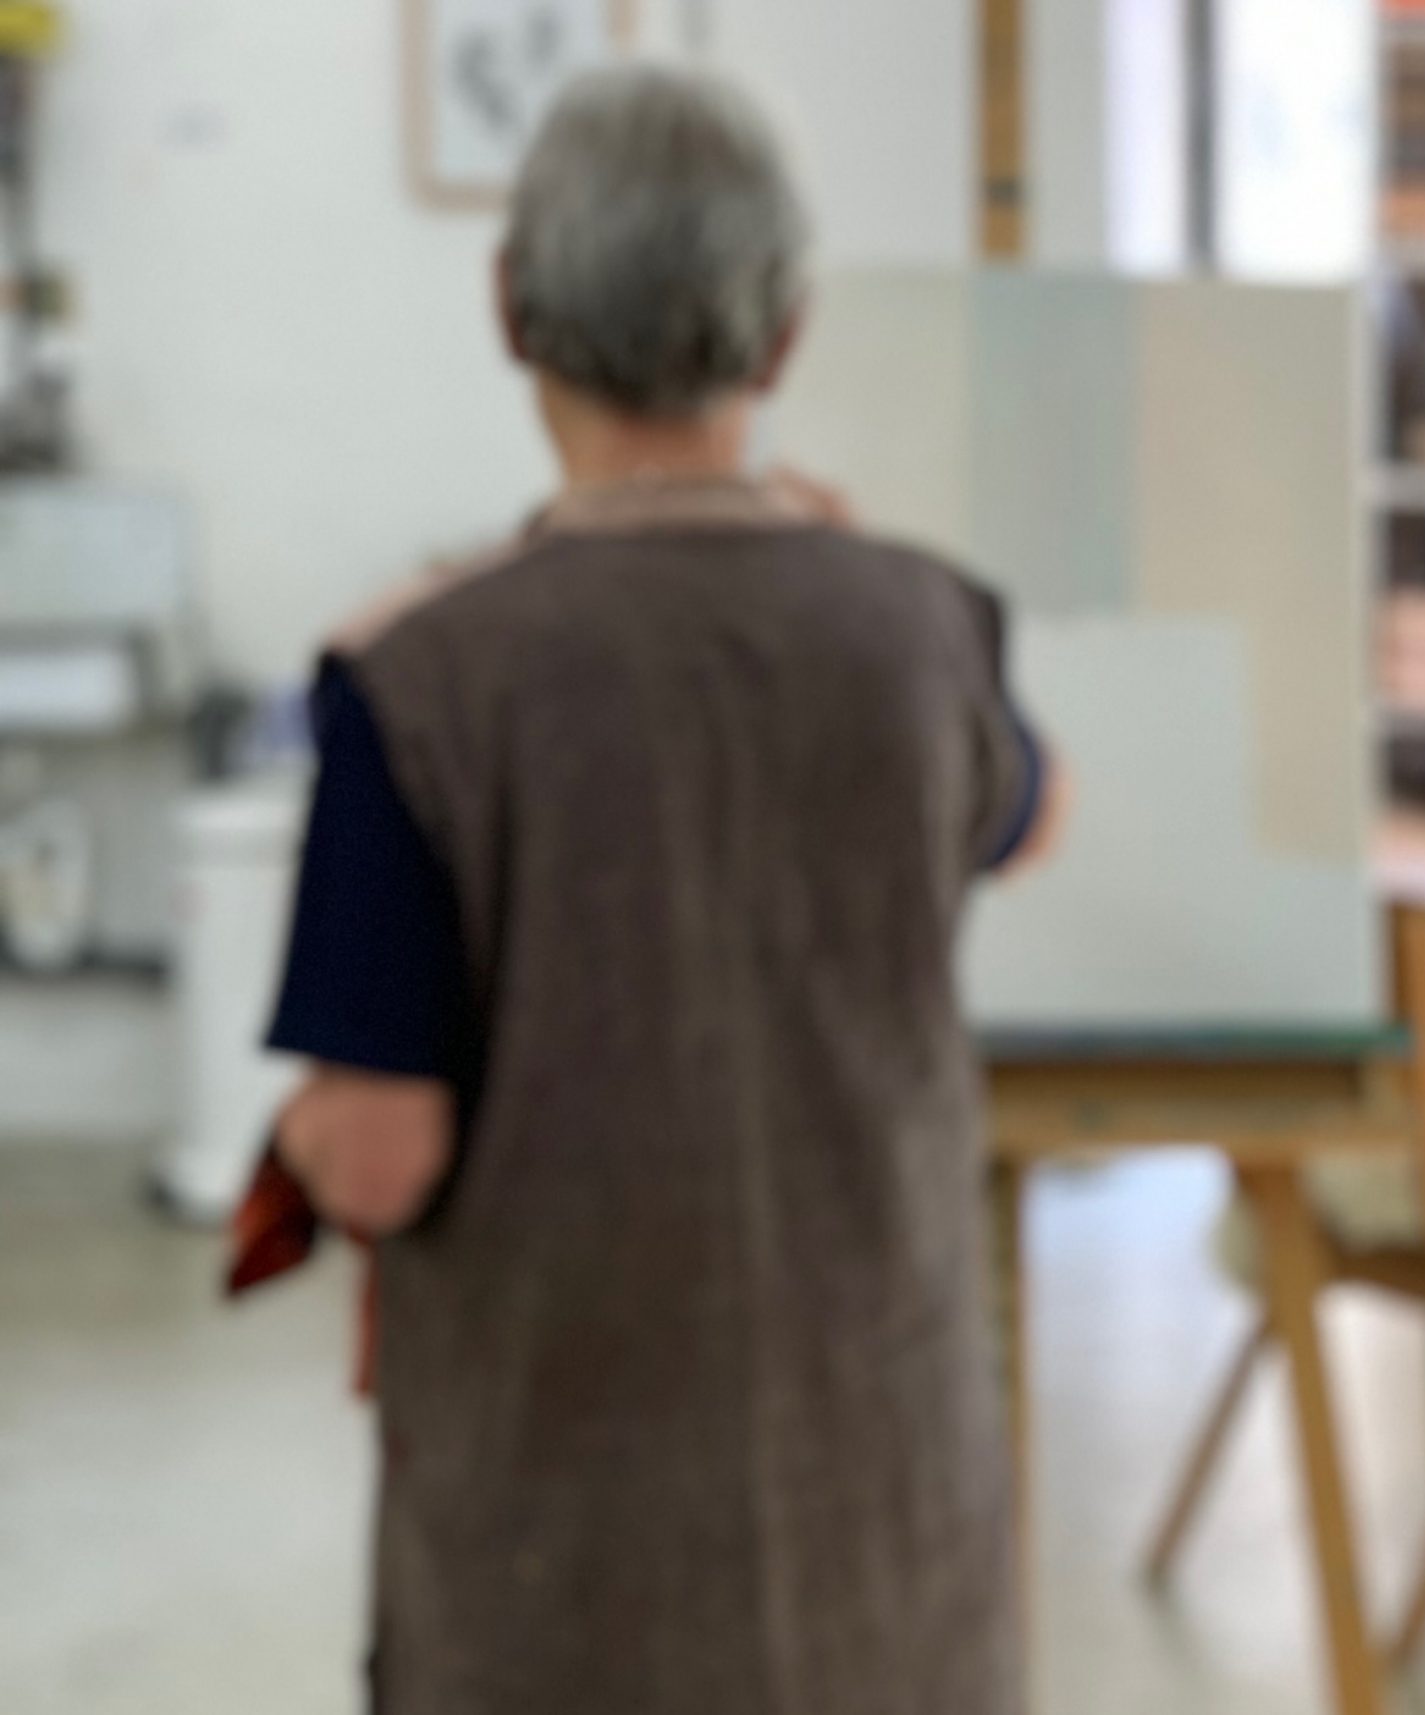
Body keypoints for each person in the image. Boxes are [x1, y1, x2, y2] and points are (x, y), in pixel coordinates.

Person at [257, 67, 1059, 1715]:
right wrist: (853, 563)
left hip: (570, 1557)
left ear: (510, 309)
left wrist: (293, 1142)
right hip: (883, 1521)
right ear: (786, 337)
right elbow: (1024, 820)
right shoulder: (926, 630)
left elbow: (379, 1161)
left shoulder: (413, 684)